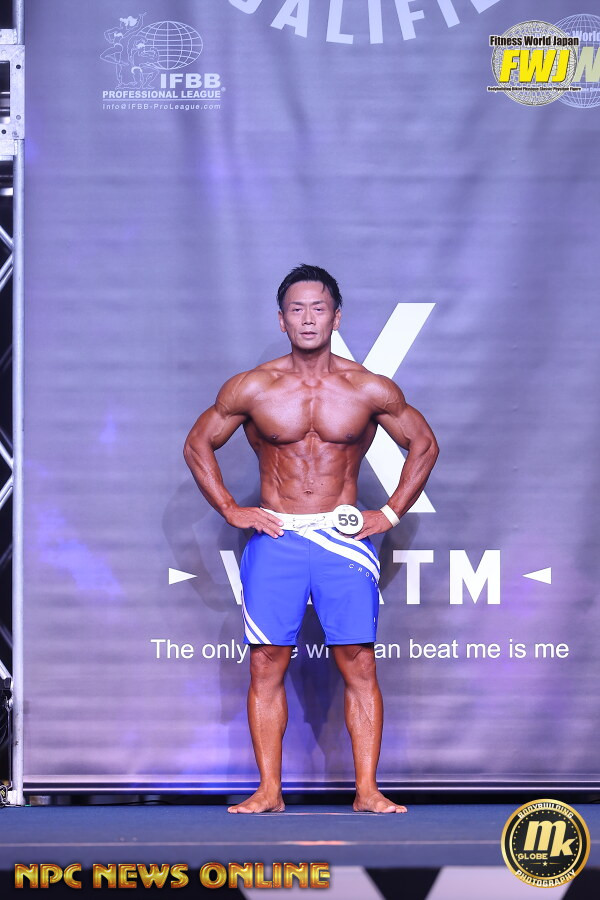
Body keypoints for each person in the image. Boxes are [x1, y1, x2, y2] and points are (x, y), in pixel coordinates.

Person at [183, 264, 438, 814]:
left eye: (317, 308)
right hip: (278, 534)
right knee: (266, 662)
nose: (307, 318)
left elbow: (424, 443)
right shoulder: (253, 386)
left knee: (359, 661)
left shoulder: (367, 387)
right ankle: (269, 791)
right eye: (295, 309)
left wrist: (390, 513)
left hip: (342, 540)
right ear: (281, 320)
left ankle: (367, 791)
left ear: (336, 317)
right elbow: (198, 443)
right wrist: (230, 508)